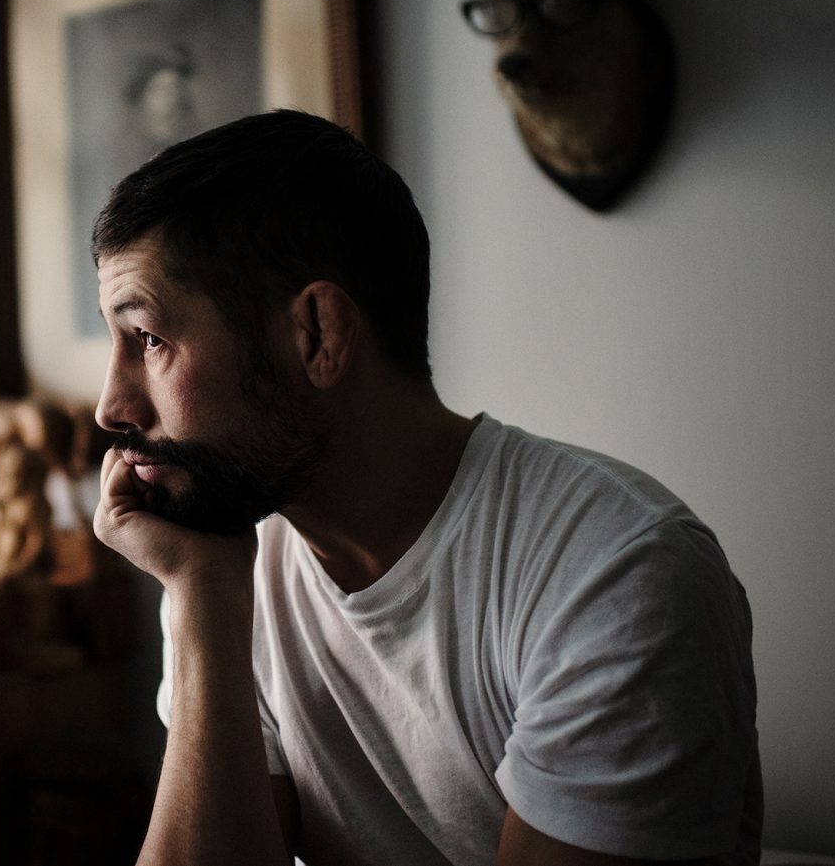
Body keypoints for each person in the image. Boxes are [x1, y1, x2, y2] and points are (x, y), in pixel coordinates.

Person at [88, 109, 760, 866]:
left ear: (317, 334)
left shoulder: (615, 577)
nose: (111, 405)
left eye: (148, 338)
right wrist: (202, 597)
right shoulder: (227, 564)